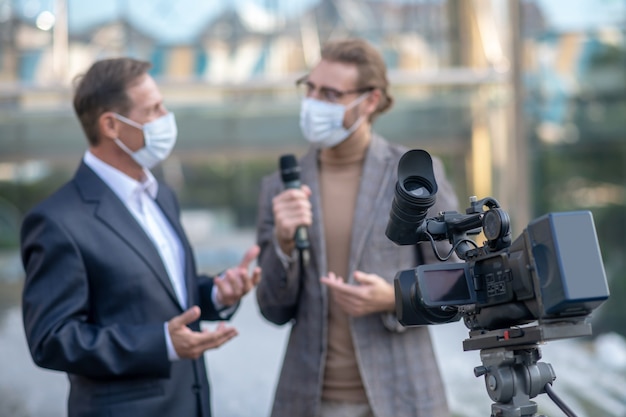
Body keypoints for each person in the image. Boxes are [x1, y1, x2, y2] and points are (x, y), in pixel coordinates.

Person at [20, 57, 261, 417]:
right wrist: (161, 342)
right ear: (112, 125)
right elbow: (52, 340)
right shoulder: (57, 220)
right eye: (154, 109)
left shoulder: (162, 196)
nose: (167, 116)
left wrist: (216, 293)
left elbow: (161, 294)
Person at [255, 38, 460, 417]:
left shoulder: (413, 173)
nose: (314, 103)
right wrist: (283, 244)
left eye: (330, 94)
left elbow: (458, 282)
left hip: (402, 396)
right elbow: (272, 308)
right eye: (310, 88)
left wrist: (393, 297)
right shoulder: (280, 186)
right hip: (308, 400)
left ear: (369, 101)